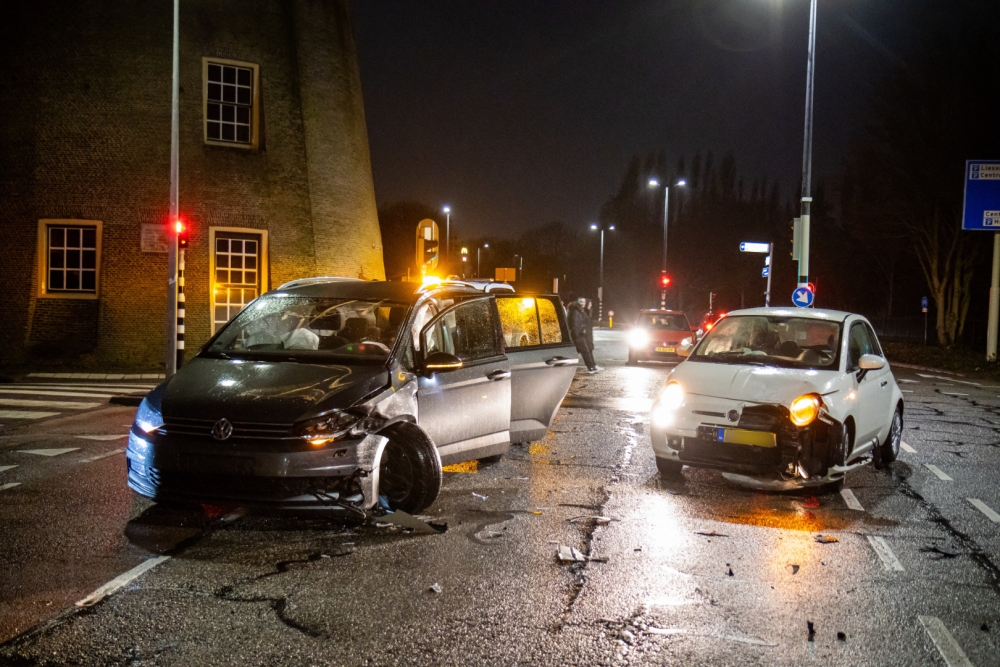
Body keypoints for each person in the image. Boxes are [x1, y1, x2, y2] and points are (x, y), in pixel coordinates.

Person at [567, 297, 601, 374]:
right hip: (578, 335)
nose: (583, 303)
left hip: (579, 334)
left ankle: (591, 367)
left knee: (580, 352)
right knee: (585, 352)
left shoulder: (579, 311)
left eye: (584, 302)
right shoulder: (576, 311)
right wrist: (576, 336)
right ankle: (591, 368)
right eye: (581, 302)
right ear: (578, 302)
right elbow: (575, 324)